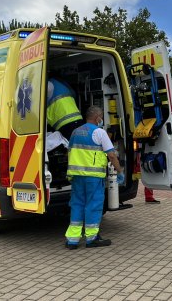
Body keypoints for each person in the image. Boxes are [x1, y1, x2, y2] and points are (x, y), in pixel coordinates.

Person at [64, 106, 125, 249]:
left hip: (77, 176)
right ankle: (91, 239)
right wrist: (120, 171)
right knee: (93, 205)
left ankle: (72, 240)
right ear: (97, 118)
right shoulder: (99, 132)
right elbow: (111, 155)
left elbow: (69, 153)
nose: (102, 120)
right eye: (101, 117)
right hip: (93, 177)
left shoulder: (75, 132)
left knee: (77, 205)